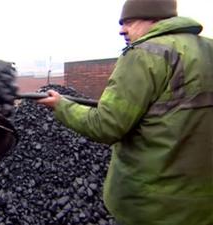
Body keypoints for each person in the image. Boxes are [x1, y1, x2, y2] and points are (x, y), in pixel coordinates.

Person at [37, 0, 213, 224]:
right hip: (204, 205)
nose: (122, 30)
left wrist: (61, 106)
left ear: (154, 17)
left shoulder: (145, 55)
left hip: (152, 206)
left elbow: (106, 125)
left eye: (129, 21)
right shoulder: (209, 49)